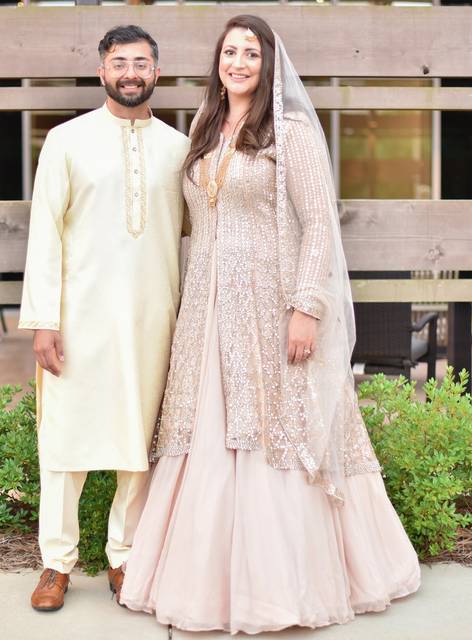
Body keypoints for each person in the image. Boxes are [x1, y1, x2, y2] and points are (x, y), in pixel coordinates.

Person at [119, 15, 421, 633]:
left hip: (268, 306)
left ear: (268, 62)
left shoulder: (292, 134)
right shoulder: (203, 129)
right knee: (203, 434)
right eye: (229, 51)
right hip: (204, 311)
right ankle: (202, 582)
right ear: (217, 62)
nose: (238, 62)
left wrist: (306, 307)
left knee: (278, 433)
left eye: (250, 53)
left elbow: (319, 226)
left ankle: (283, 587)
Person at [19, 24, 189, 612]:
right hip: (78, 319)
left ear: (157, 73)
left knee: (138, 441)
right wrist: (44, 319)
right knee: (66, 441)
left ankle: (125, 556)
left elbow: (193, 241)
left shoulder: (178, 148)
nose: (131, 73)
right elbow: (44, 233)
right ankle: (55, 563)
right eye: (120, 63)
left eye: (141, 63)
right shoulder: (66, 141)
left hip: (153, 320)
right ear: (102, 72)